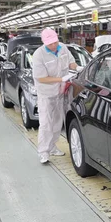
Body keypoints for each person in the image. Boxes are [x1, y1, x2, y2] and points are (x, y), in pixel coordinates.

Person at [31, 28, 82, 164]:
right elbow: (41, 78)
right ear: (44, 43)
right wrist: (61, 79)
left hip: (60, 92)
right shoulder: (39, 55)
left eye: (55, 42)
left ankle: (52, 146)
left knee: (58, 123)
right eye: (50, 44)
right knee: (46, 123)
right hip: (46, 94)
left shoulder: (63, 48)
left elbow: (71, 62)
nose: (53, 45)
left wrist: (77, 68)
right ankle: (43, 152)